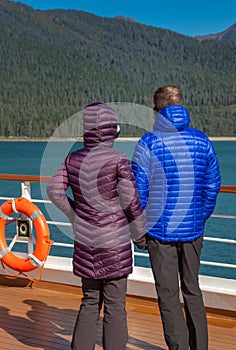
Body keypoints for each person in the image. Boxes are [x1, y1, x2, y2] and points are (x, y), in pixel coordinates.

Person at [47, 102, 146, 350]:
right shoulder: (118, 159)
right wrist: (140, 234)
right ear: (113, 129)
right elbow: (131, 201)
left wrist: (74, 215)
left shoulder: (72, 159)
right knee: (114, 305)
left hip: (86, 241)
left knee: (89, 300)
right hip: (114, 242)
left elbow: (53, 191)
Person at [132, 85, 221, 350]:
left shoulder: (147, 143)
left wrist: (139, 230)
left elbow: (138, 193)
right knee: (193, 290)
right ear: (181, 106)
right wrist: (200, 217)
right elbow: (212, 185)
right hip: (193, 230)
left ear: (156, 110)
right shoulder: (202, 140)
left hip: (160, 232)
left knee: (168, 296)